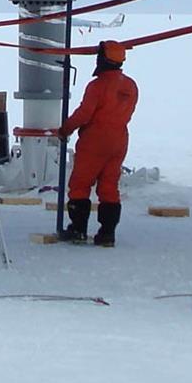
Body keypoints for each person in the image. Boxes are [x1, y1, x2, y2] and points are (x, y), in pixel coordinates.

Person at [59, 39, 138, 246]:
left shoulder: (97, 86)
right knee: (109, 186)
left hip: (95, 139)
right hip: (119, 139)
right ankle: (107, 233)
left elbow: (85, 113)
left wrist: (65, 129)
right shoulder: (130, 85)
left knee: (80, 184)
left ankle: (78, 230)